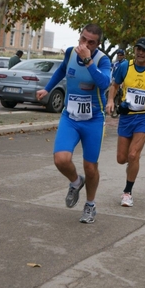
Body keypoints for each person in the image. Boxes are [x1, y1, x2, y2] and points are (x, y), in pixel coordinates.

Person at [36, 24, 111, 223]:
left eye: (91, 42)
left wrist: (88, 61)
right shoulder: (70, 53)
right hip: (70, 117)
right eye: (83, 39)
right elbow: (61, 71)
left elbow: (104, 84)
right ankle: (76, 182)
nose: (84, 44)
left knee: (90, 166)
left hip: (93, 119)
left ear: (98, 44)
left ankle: (90, 205)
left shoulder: (102, 60)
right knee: (61, 159)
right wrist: (48, 89)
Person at [106, 37, 145, 207]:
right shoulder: (124, 67)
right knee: (122, 158)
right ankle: (132, 161)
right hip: (127, 115)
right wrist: (111, 100)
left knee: (133, 154)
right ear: (134, 50)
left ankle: (127, 192)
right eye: (138, 49)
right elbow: (114, 85)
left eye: (144, 50)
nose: (140, 53)